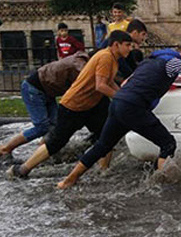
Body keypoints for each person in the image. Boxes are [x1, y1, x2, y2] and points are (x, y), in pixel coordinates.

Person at [56, 43, 181, 189]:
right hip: (134, 107)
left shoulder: (150, 61)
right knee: (168, 143)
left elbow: (126, 82)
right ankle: (162, 185)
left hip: (118, 103)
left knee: (102, 146)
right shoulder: (174, 61)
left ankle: (68, 180)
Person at [6, 31, 133, 179]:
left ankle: (103, 172)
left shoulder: (111, 58)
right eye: (128, 45)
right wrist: (122, 98)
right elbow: (100, 86)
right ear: (116, 44)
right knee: (56, 142)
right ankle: (22, 169)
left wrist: (123, 96)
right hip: (73, 106)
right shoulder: (105, 57)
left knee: (106, 136)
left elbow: (109, 81)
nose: (130, 49)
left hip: (89, 106)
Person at [0, 51, 89, 159]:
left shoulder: (80, 62)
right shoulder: (81, 66)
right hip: (34, 89)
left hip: (47, 90)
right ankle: (6, 149)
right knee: (42, 126)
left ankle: (42, 152)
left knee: (56, 125)